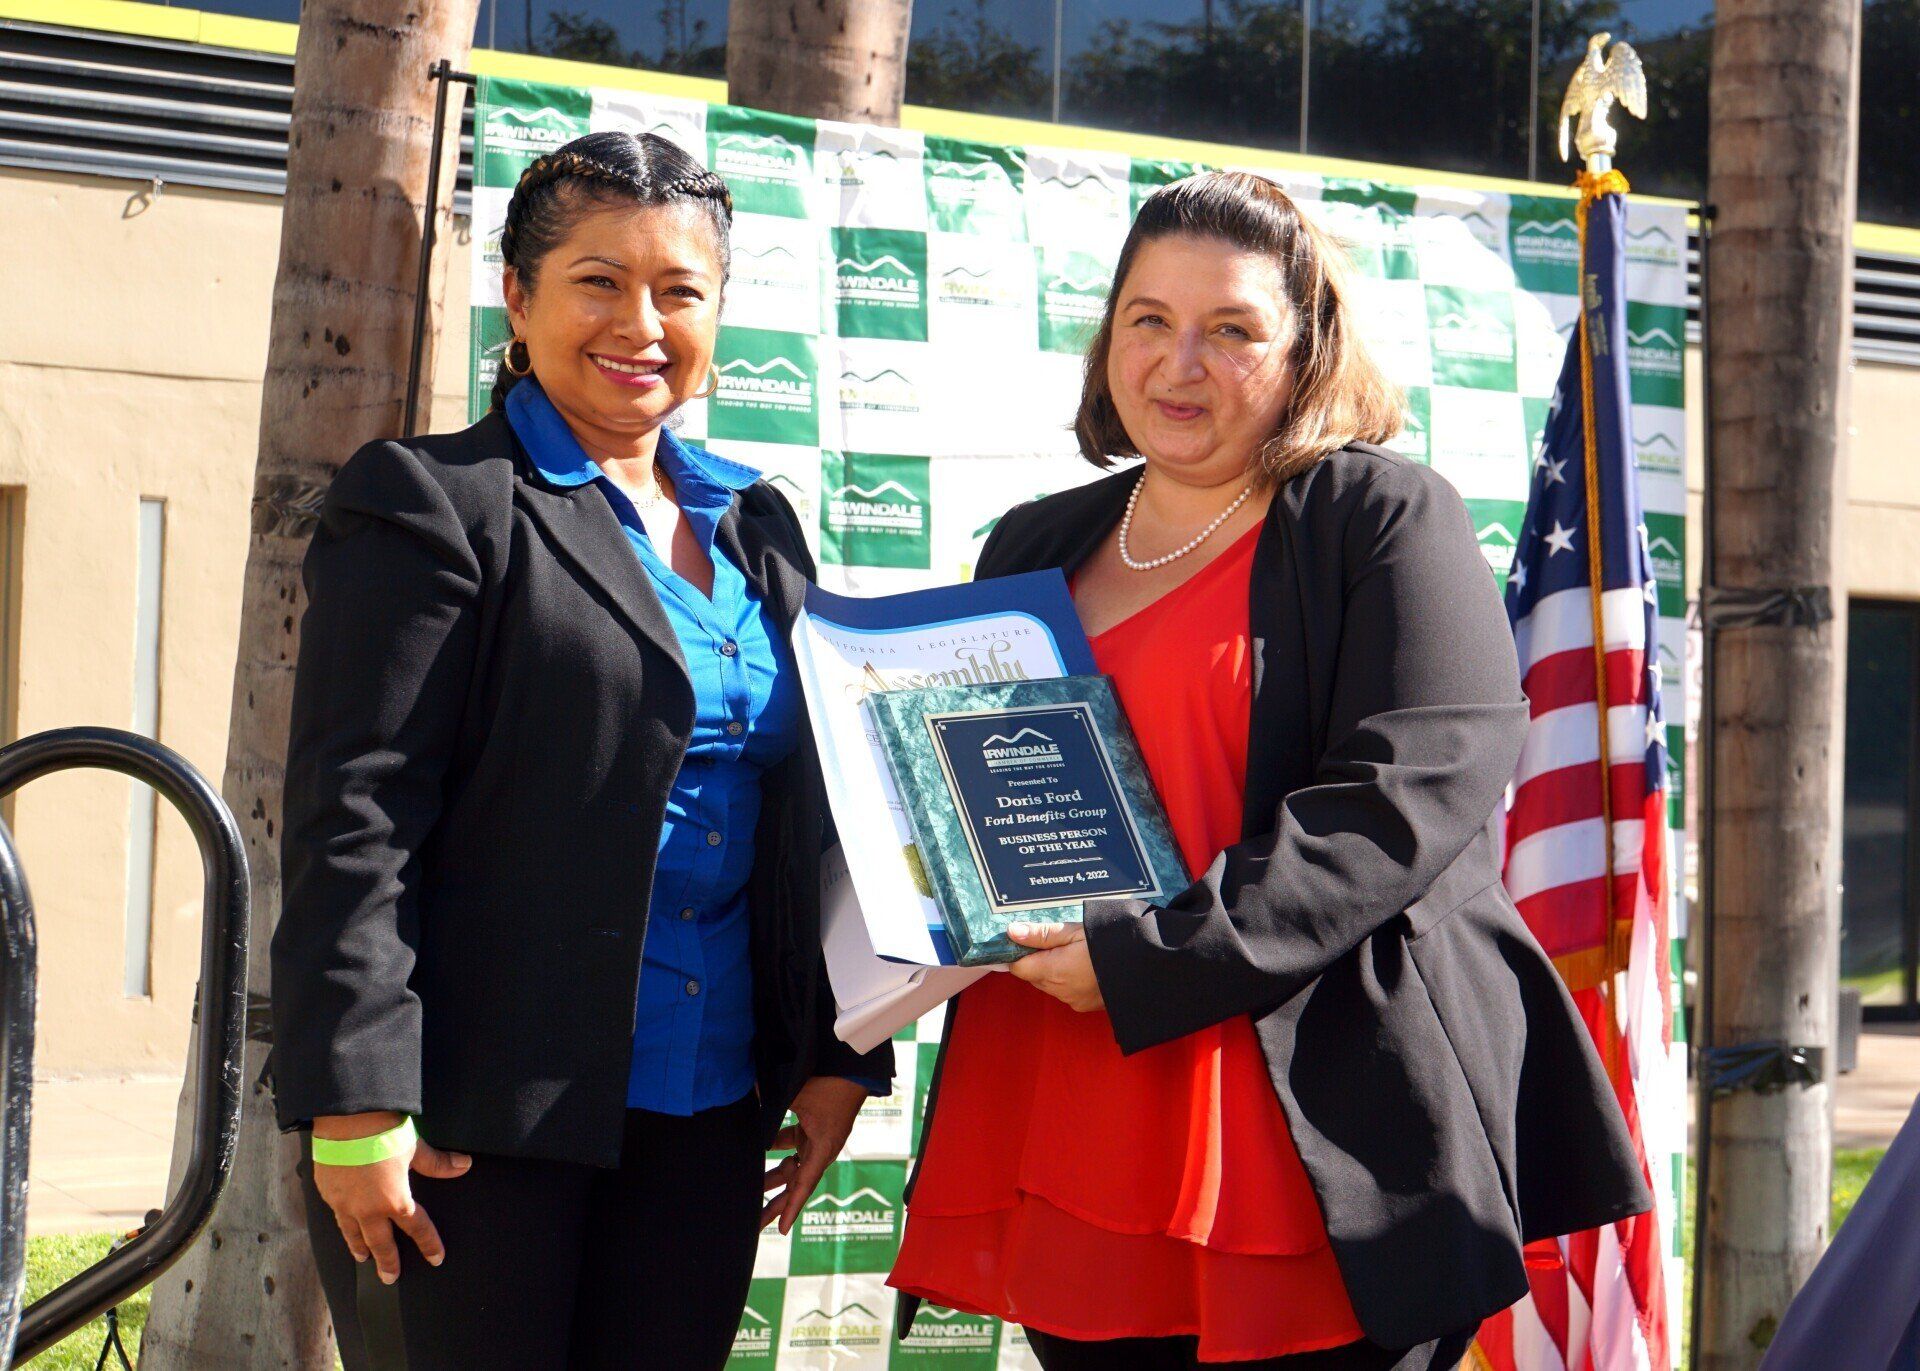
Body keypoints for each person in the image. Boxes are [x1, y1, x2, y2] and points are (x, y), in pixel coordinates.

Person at [888, 171, 1652, 1370]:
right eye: (1148, 320)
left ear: (1307, 350)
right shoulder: (1035, 541)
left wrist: (1151, 963)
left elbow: (1411, 790)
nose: (1178, 363)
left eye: (1232, 329)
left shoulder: (1382, 514)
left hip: (1311, 1123)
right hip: (1075, 1097)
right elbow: (962, 796)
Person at [269, 131, 890, 1371]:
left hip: (710, 1110)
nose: (641, 324)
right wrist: (354, 1098)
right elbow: (358, 816)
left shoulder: (758, 524)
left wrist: (832, 1053)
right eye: (598, 281)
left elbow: (811, 822)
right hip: (474, 1114)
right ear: (519, 296)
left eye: (680, 291)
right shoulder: (432, 502)